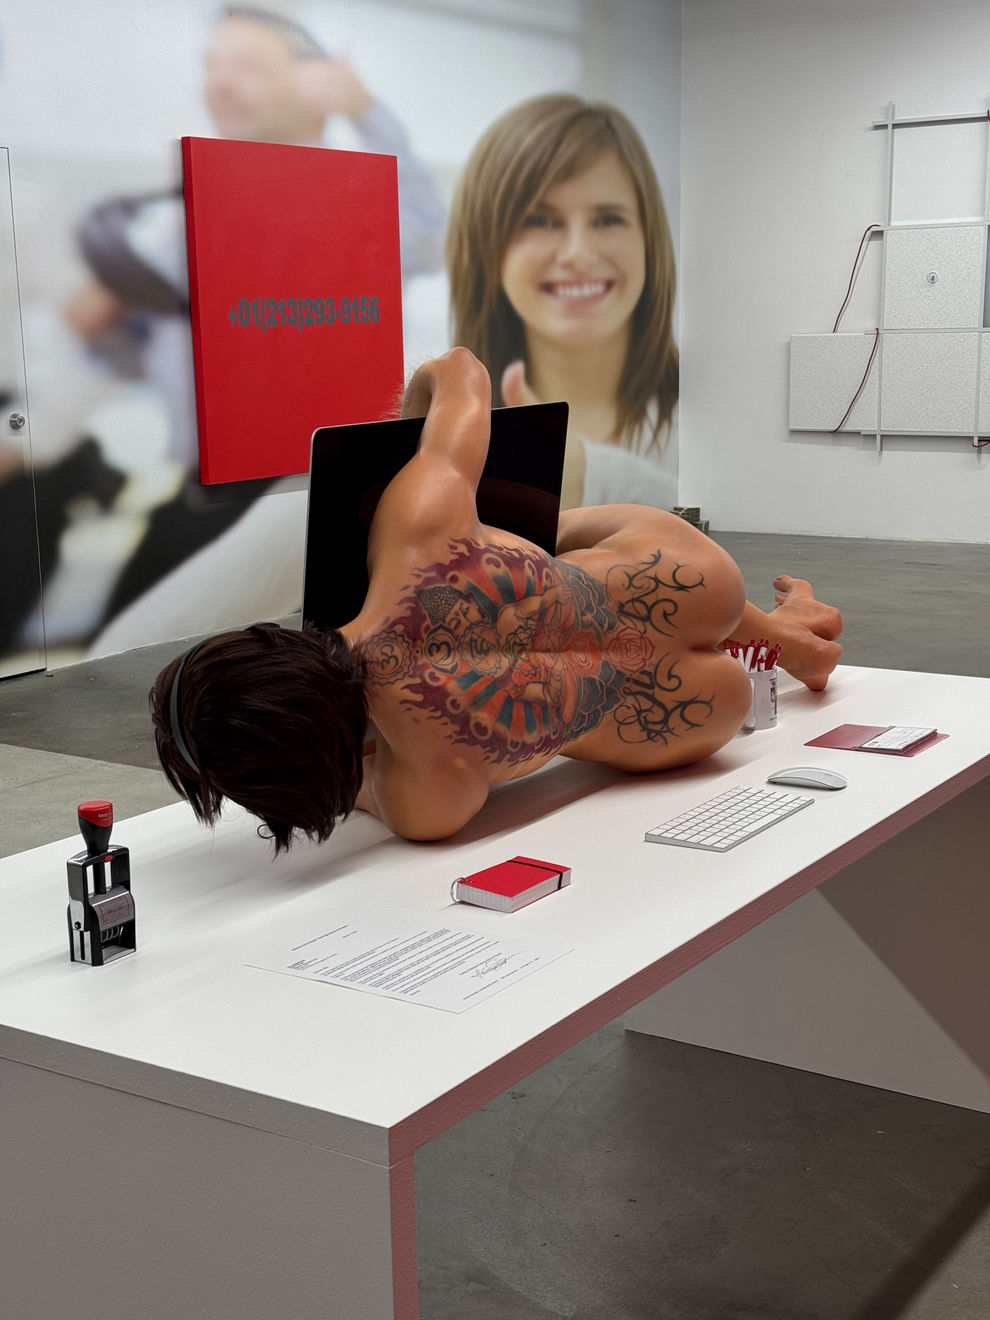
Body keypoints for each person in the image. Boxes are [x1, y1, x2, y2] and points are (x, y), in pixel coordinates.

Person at [150, 349, 843, 848]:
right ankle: (794, 637)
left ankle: (797, 641)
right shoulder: (416, 530)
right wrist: (408, 441)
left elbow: (345, 787)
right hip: (694, 577)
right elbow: (462, 371)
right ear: (268, 639)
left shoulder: (426, 798)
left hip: (700, 719)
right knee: (536, 539)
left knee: (542, 562)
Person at [63, 4, 446, 634]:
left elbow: (430, 236)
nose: (219, 84)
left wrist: (365, 108)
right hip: (205, 505)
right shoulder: (168, 224)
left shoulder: (362, 206)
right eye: (211, 65)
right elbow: (128, 349)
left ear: (316, 85)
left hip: (333, 497)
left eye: (247, 66)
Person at [447, 94, 678, 510]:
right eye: (541, 220)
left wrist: (587, 476)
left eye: (607, 220)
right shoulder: (440, 433)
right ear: (487, 252)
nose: (578, 254)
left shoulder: (724, 423)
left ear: (649, 241)